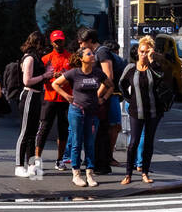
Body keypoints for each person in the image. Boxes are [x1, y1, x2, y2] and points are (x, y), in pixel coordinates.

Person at [51, 45, 111, 187]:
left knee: (90, 143)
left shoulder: (97, 73)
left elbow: (110, 85)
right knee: (77, 142)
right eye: (89, 54)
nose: (92, 56)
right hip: (77, 111)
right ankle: (76, 174)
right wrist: (67, 96)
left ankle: (89, 174)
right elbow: (55, 84)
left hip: (92, 112)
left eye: (92, 53)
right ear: (81, 59)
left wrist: (102, 98)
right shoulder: (74, 73)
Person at [118, 35, 165, 185]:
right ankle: (128, 174)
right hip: (135, 110)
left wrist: (152, 60)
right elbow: (121, 84)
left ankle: (145, 171)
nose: (144, 54)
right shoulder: (131, 68)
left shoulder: (154, 68)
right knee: (134, 142)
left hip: (153, 111)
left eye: (147, 52)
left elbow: (160, 78)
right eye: (142, 51)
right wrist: (128, 98)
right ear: (138, 51)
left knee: (148, 143)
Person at [33, 30, 72, 172]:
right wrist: (50, 76)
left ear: (64, 40)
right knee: (44, 128)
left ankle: (60, 160)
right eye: (56, 41)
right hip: (49, 97)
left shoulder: (71, 58)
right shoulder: (46, 58)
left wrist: (64, 77)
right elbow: (39, 77)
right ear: (51, 42)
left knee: (63, 130)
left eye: (60, 40)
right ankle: (37, 159)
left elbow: (75, 76)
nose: (58, 43)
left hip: (65, 98)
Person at [14, 32, 47, 177]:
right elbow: (26, 80)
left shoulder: (35, 58)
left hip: (37, 95)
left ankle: (31, 164)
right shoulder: (29, 58)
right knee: (25, 131)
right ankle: (19, 165)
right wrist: (44, 76)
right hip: (29, 94)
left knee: (33, 132)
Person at [94, 36, 124, 173]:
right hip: (110, 96)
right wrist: (100, 95)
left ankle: (104, 156)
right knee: (113, 126)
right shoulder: (104, 55)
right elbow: (109, 79)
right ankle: (108, 156)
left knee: (108, 127)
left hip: (110, 96)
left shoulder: (102, 55)